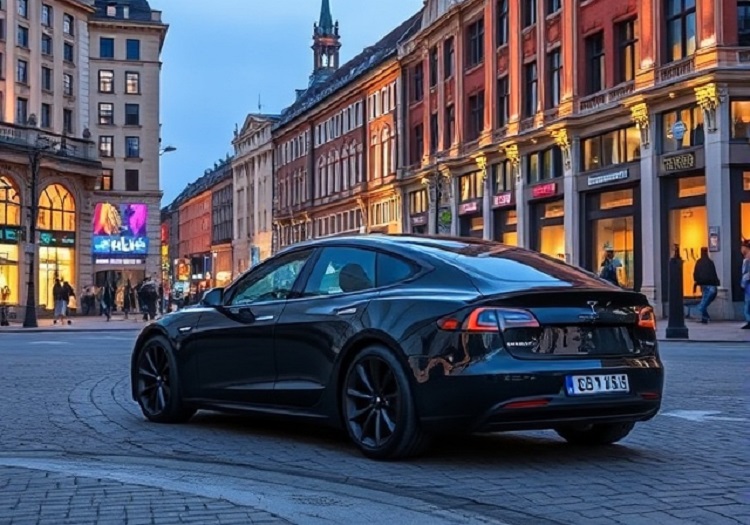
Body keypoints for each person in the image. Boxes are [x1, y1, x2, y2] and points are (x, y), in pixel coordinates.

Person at [692, 247, 720, 324]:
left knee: (703, 302)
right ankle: (705, 317)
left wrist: (697, 281)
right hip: (710, 284)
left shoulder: (699, 262)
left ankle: (705, 317)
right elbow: (714, 273)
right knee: (705, 302)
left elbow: (695, 273)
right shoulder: (710, 262)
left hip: (703, 284)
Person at [741, 239, 750, 329]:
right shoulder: (746, 259)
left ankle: (749, 321)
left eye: (742, 247)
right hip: (747, 284)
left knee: (747, 304)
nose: (741, 249)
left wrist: (743, 283)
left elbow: (746, 274)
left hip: (748, 284)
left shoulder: (748, 259)